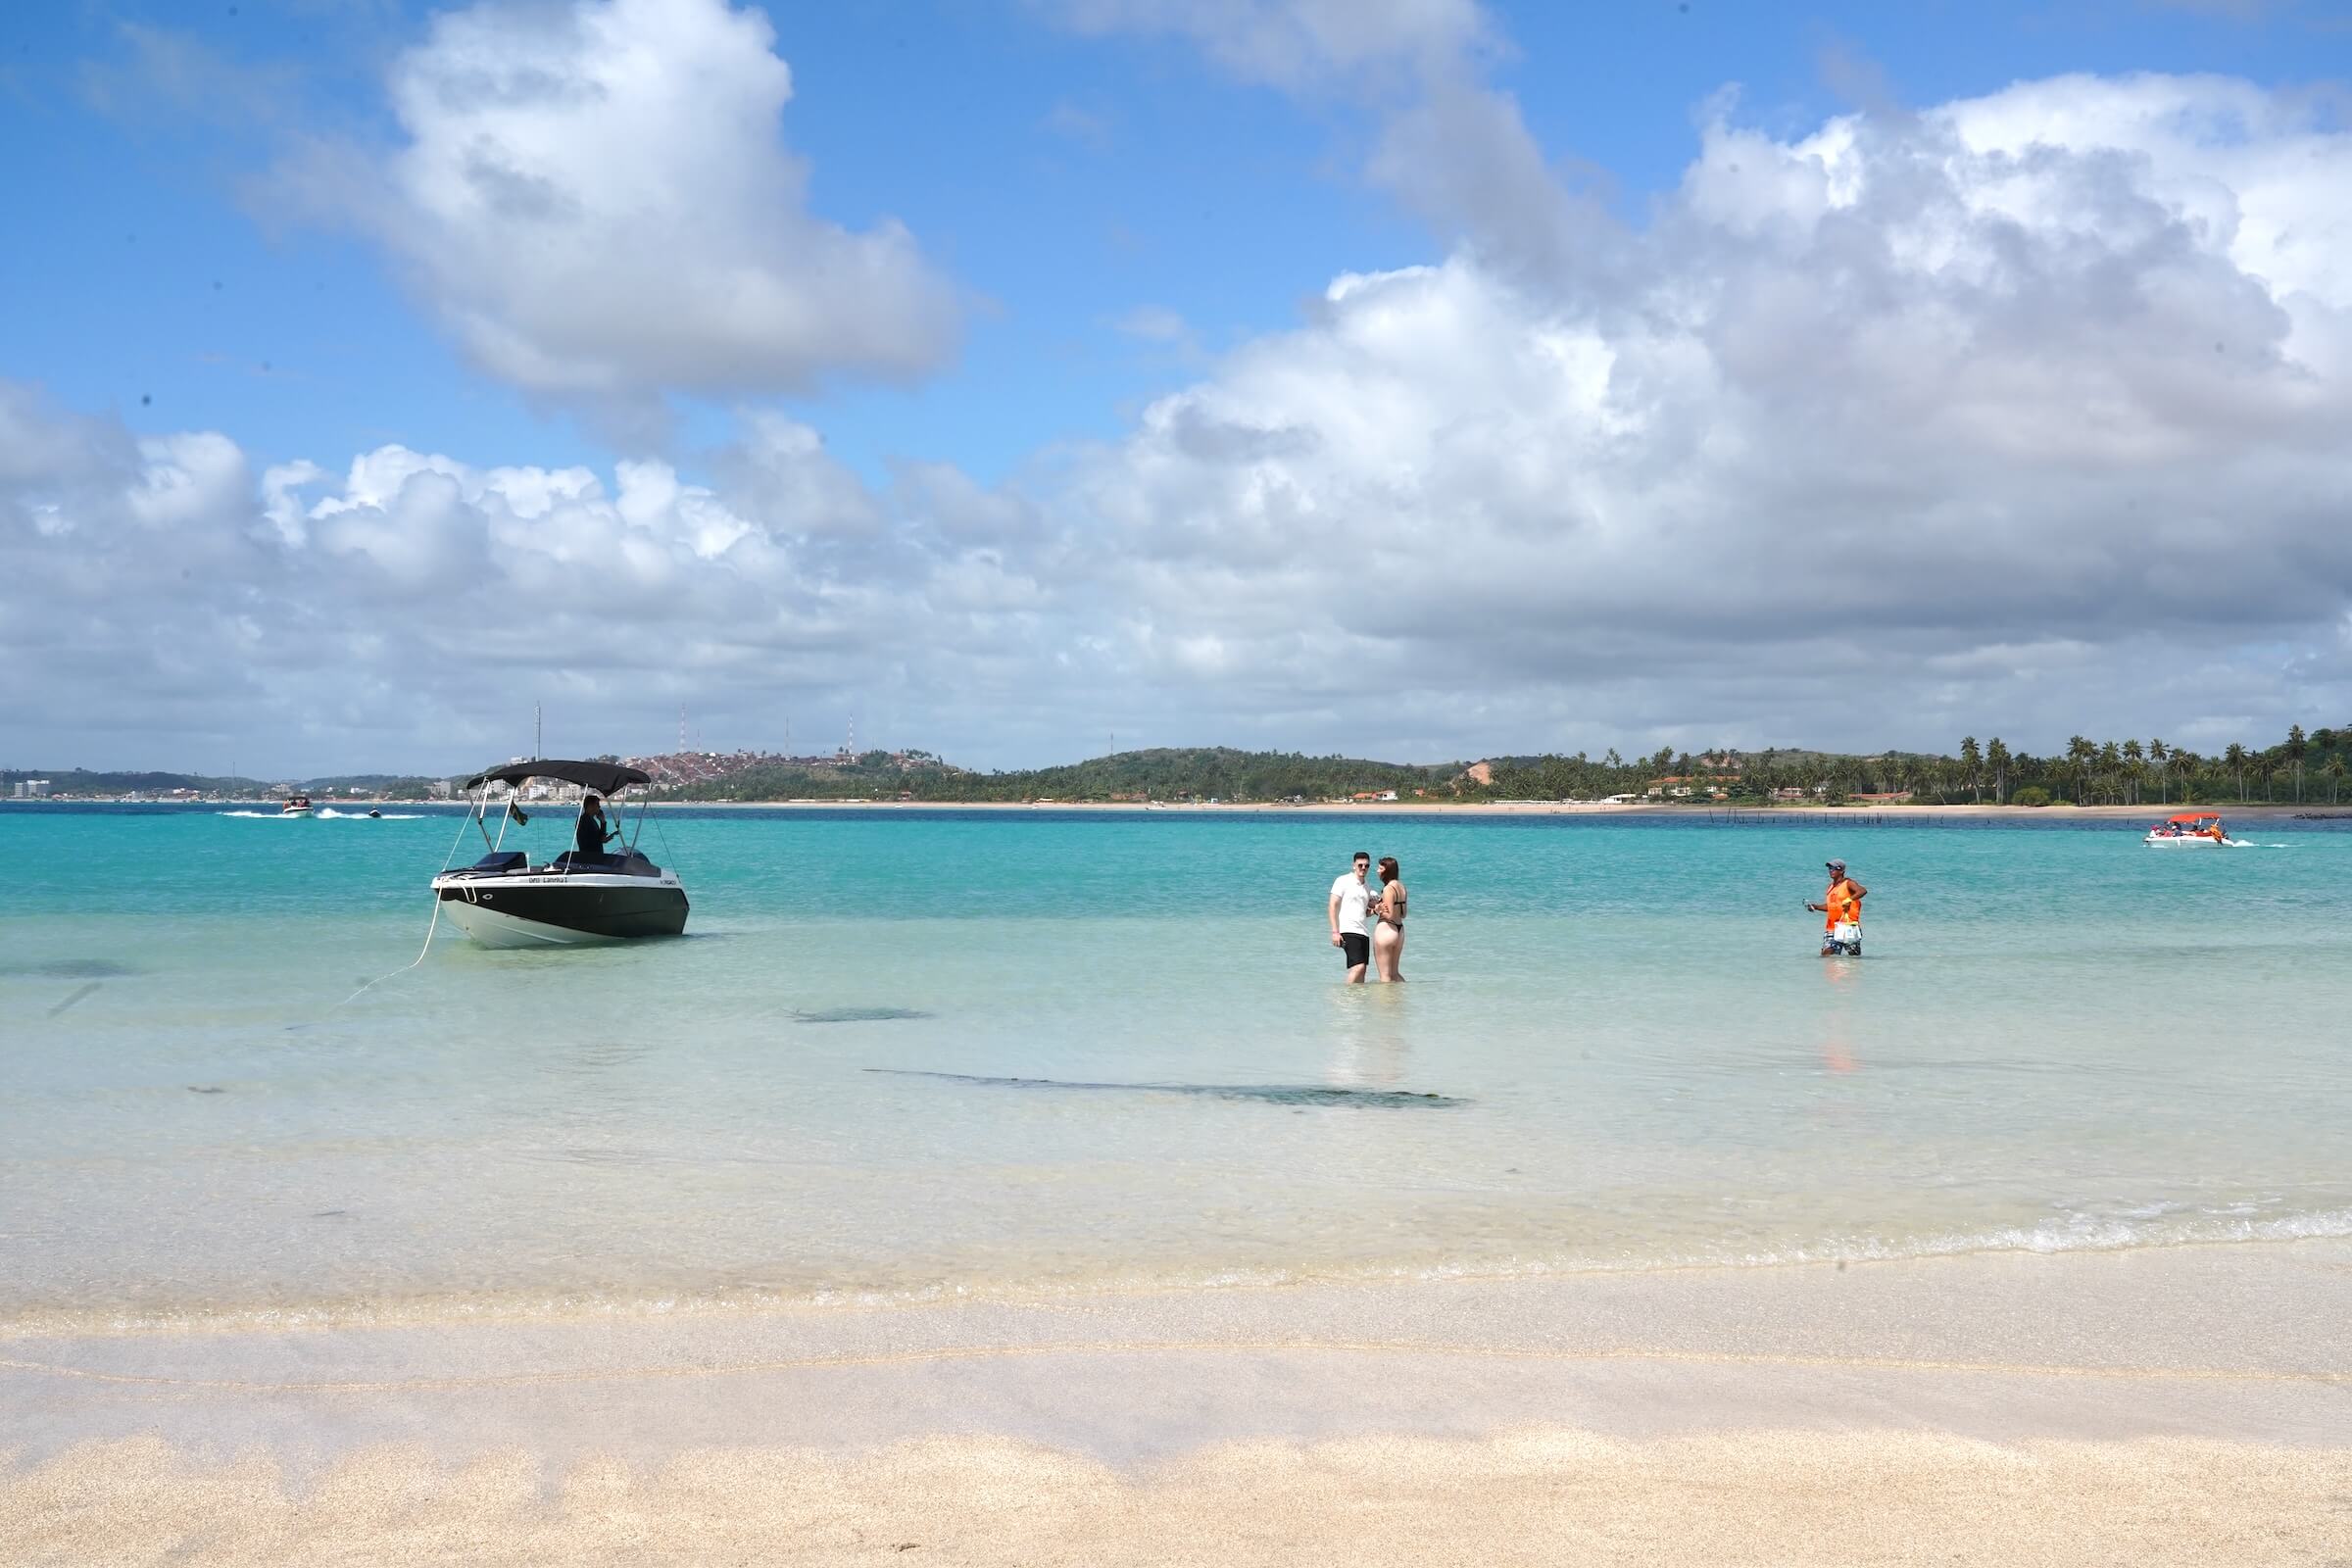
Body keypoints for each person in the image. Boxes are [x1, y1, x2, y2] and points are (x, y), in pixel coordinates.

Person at [1327, 851, 1374, 983]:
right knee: (1358, 967)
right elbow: (1332, 906)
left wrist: (1375, 911)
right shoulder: (1343, 880)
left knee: (1363, 969)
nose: (1363, 868)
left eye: (1366, 866)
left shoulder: (1367, 887)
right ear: (1354, 865)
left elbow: (1364, 912)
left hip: (1363, 932)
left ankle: (1358, 1001)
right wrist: (1335, 931)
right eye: (1360, 865)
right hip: (1348, 930)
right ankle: (1345, 997)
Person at [1807, 858, 1866, 956]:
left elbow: (1862, 890)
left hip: (1848, 926)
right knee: (1827, 955)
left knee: (1854, 958)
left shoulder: (1848, 883)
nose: (1831, 871)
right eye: (1829, 868)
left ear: (1842, 871)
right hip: (1832, 928)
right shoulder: (1830, 887)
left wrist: (1849, 899)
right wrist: (1816, 906)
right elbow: (1831, 906)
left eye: (1834, 868)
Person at [1371, 856, 1407, 982]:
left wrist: (1376, 909)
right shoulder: (1402, 887)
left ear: (1388, 871)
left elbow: (1389, 914)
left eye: (1380, 868)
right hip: (1400, 930)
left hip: (1386, 929)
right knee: (1395, 973)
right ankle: (1401, 997)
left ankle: (1385, 1001)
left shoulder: (1388, 889)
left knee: (1385, 976)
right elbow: (1404, 914)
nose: (1377, 871)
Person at [575, 793, 618, 861]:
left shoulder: (588, 820)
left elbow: (598, 839)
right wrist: (603, 822)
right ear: (590, 806)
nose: (599, 807)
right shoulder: (586, 821)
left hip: (591, 857)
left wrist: (603, 824)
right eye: (597, 805)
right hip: (591, 858)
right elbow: (602, 840)